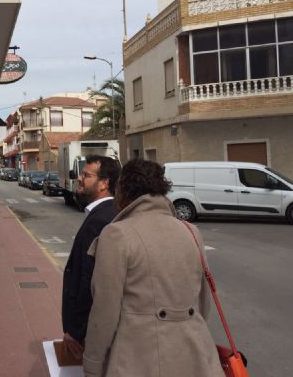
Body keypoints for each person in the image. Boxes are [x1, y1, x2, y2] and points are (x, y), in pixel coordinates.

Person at [82, 159, 224, 377]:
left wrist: (93, 363)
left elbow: (104, 311)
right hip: (195, 355)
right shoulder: (191, 231)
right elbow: (204, 302)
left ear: (122, 190)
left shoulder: (117, 234)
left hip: (139, 357)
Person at [62, 155, 121, 359]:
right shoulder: (111, 212)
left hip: (88, 332)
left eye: (86, 175)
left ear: (104, 183)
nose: (79, 178)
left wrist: (76, 330)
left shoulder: (100, 220)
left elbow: (90, 279)